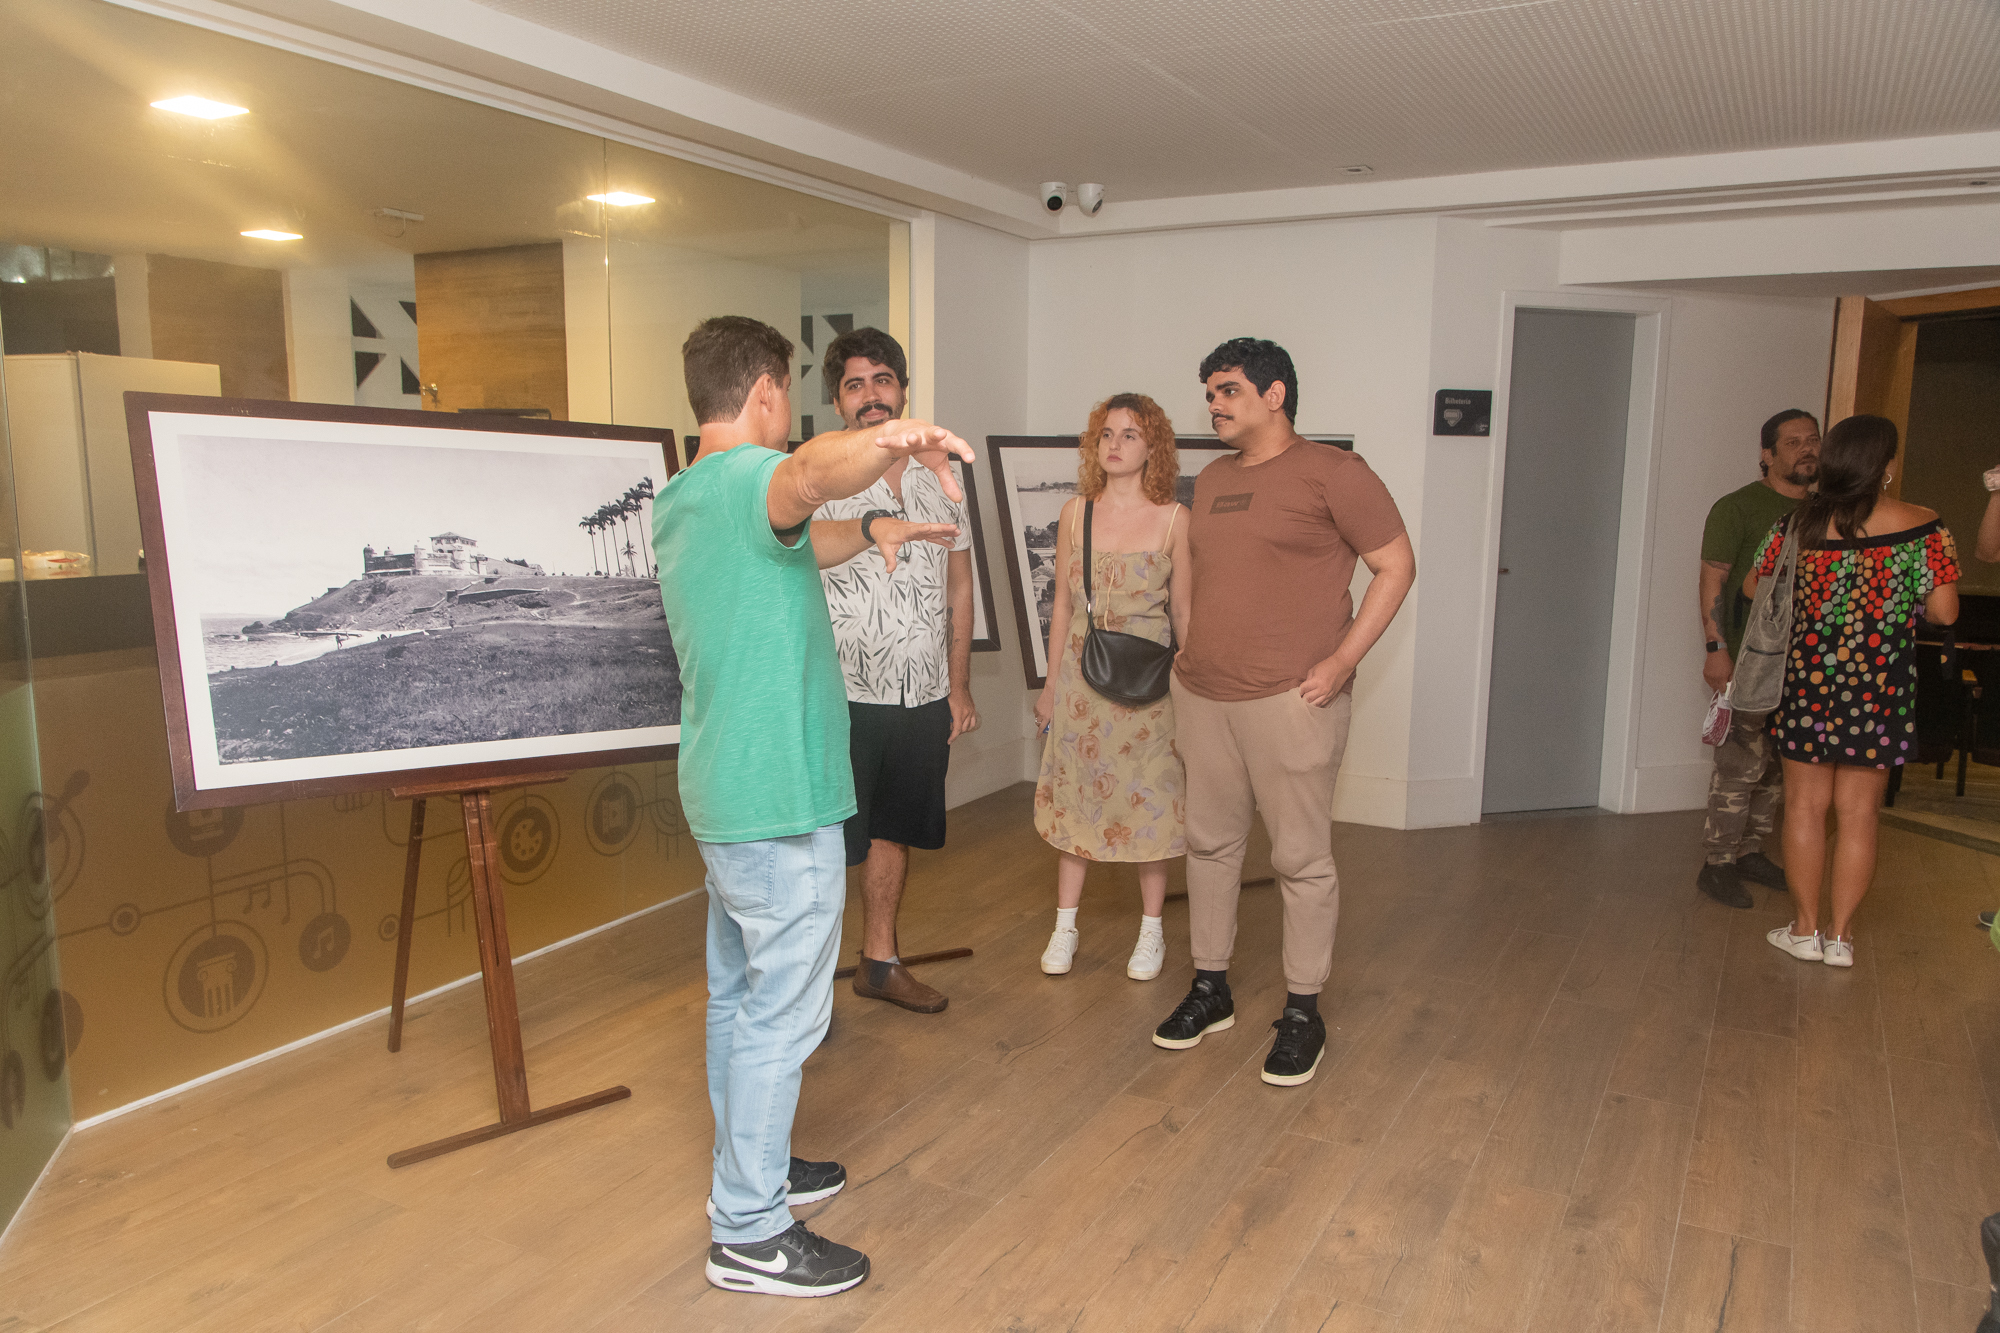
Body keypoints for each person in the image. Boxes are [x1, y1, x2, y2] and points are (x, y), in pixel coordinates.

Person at [653, 315, 970, 1298]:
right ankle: (749, 1230)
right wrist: (897, 437)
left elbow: (798, 538)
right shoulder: (756, 475)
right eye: (785, 393)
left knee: (739, 996)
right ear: (763, 393)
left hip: (724, 789)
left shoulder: (685, 496)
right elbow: (806, 477)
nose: (786, 411)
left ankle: (750, 1169)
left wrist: (874, 529)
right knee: (780, 1016)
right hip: (776, 796)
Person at [1154, 338, 1415, 1087]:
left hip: (1291, 699)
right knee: (1209, 847)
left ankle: (1303, 1010)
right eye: (1210, 393)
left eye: (1228, 390)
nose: (1214, 404)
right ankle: (1211, 987)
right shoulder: (1212, 479)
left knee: (1299, 859)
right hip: (1205, 695)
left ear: (1275, 395)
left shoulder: (1335, 471)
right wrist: (1187, 653)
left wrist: (1341, 662)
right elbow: (1201, 575)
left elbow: (1396, 566)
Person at [1746, 413, 1958, 968]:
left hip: (1808, 684)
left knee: (1805, 807)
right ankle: (1840, 939)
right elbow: (1944, 611)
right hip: (1880, 686)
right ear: (1886, 466)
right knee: (1860, 814)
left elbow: (1753, 588)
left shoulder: (1797, 526)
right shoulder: (1923, 526)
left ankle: (1804, 930)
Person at [813, 328, 978, 1014]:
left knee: (893, 831)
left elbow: (959, 585)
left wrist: (958, 684)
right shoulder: (815, 478)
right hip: (840, 695)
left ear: (903, 391)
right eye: (855, 385)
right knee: (826, 845)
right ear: (837, 402)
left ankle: (879, 962)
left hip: (922, 693)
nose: (871, 395)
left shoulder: (941, 476)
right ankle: (804, 996)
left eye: (882, 380)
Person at [1032, 393, 1191, 981]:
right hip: (1082, 684)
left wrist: (1194, 692)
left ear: (1153, 447)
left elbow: (1184, 613)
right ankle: (1064, 928)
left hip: (1152, 686)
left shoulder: (1175, 519)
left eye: (1130, 434)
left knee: (1153, 805)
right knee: (1076, 801)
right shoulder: (1076, 513)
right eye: (1107, 434)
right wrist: (1050, 685)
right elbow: (1062, 605)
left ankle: (1151, 933)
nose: (1116, 444)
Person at [1695, 409, 1821, 908]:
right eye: (1793, 442)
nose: (1807, 449)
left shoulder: (1827, 511)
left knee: (1776, 766)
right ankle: (1718, 863)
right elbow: (1714, 579)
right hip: (1749, 655)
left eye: (1813, 440)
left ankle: (1750, 852)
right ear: (1767, 455)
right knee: (1739, 764)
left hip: (1807, 661)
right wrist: (1715, 648)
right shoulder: (1737, 507)